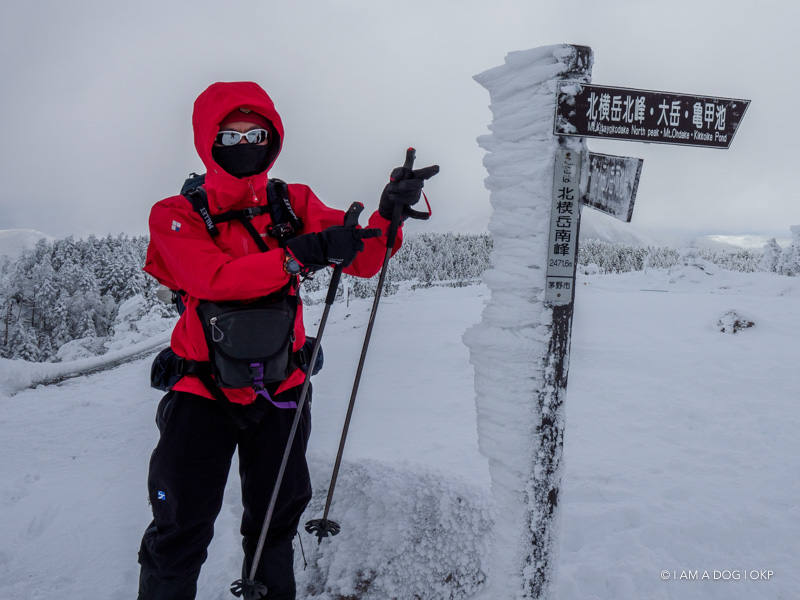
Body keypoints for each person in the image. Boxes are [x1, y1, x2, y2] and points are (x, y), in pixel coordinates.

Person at [137, 81, 437, 600]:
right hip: (200, 393)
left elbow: (364, 258)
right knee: (179, 527)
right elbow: (213, 279)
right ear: (207, 140)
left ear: (272, 138)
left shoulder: (291, 202)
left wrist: (389, 214)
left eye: (255, 134)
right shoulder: (175, 213)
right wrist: (299, 254)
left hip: (282, 390)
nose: (244, 144)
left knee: (275, 525)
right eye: (230, 136)